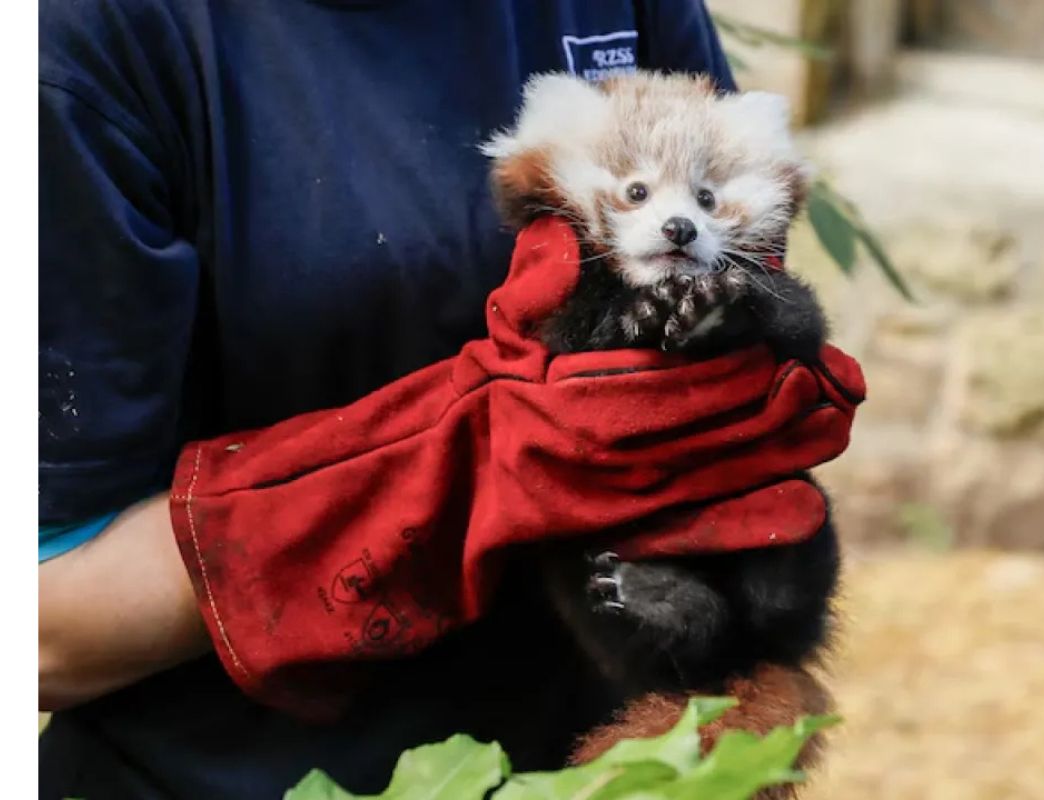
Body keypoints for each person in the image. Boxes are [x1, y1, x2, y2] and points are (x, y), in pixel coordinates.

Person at [39, 1, 745, 797]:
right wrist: (449, 485)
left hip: (604, 756)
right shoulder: (87, 44)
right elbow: (41, 633)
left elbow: (742, 271)